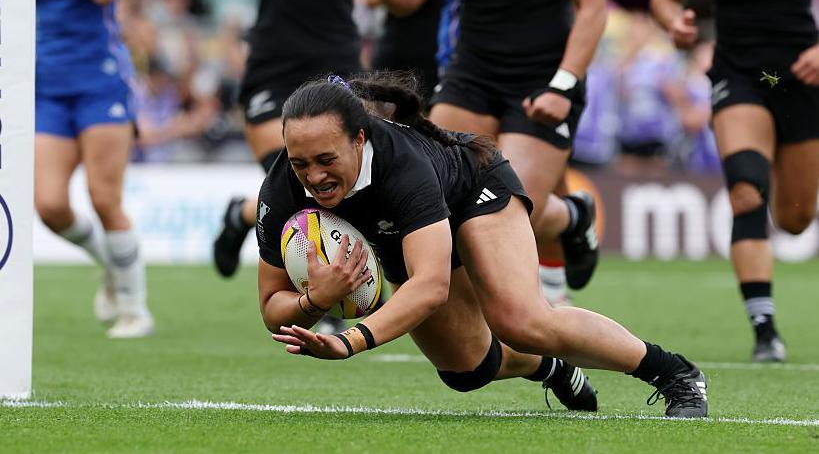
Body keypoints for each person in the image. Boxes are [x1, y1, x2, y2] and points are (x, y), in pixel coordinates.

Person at [258, 74, 709, 418]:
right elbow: (272, 306)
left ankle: (675, 373)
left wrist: (352, 341)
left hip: (473, 192)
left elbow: (430, 285)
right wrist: (316, 298)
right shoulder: (281, 189)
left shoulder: (401, 165)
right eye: (300, 163)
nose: (314, 176)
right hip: (404, 234)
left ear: (359, 139)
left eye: (326, 160)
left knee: (522, 320)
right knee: (466, 372)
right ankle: (551, 369)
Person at [651, 0, 819, 362]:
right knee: (746, 191)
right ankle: (765, 330)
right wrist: (674, 23)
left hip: (803, 75)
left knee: (796, 218)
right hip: (738, 74)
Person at [428, 0, 608, 307]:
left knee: (510, 212)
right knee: (435, 192)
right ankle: (571, 225)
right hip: (472, 70)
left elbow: (593, 6)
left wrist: (563, 86)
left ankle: (573, 218)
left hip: (544, 77)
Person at [212, 0, 363, 333]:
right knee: (301, 181)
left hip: (335, 55)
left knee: (331, 183)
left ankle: (244, 213)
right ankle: (324, 302)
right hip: (274, 62)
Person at [35, 0, 153, 338]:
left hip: (99, 82)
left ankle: (135, 312)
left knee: (104, 199)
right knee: (50, 205)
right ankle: (114, 267)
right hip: (45, 86)